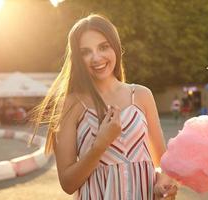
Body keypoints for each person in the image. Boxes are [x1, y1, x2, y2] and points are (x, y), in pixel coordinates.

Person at [31, 14, 178, 200]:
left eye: (103, 47)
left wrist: (164, 186)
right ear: (77, 58)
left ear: (115, 47)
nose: (96, 57)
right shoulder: (71, 104)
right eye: (85, 52)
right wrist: (100, 145)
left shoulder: (142, 95)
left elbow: (162, 163)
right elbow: (68, 184)